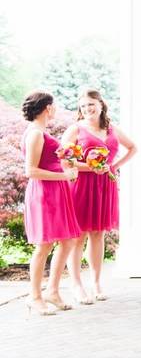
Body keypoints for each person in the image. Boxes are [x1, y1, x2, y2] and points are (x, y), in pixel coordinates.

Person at [61, 90, 137, 303]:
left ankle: (96, 282)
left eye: (91, 104)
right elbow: (66, 161)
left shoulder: (112, 130)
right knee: (78, 237)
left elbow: (133, 148)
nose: (87, 109)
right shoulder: (75, 130)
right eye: (83, 106)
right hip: (81, 186)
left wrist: (114, 166)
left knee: (98, 234)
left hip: (105, 186)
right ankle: (76, 284)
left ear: (101, 105)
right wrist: (90, 168)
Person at [21, 90, 81, 316]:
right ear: (47, 108)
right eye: (53, 105)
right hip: (44, 193)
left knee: (68, 240)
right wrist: (64, 175)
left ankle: (52, 291)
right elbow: (31, 171)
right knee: (44, 245)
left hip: (56, 192)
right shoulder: (35, 133)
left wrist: (67, 160)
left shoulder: (41, 132)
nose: (55, 109)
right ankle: (34, 296)